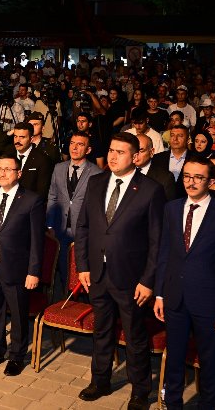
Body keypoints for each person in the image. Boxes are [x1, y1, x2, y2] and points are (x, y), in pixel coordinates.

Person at [75, 132, 166, 409]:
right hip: (97, 275)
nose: (113, 156)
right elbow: (83, 228)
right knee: (102, 331)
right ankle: (99, 381)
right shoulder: (95, 182)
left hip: (131, 279)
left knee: (135, 337)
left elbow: (156, 241)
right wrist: (83, 267)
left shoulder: (150, 190)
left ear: (136, 157)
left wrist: (148, 281)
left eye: (121, 152)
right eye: (111, 150)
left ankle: (140, 391)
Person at [154, 157, 215, 410]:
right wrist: (159, 294)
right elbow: (164, 253)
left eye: (199, 177)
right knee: (174, 358)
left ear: (211, 181)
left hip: (209, 302)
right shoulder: (171, 209)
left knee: (209, 360)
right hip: (174, 297)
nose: (191, 182)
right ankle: (172, 403)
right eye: (187, 176)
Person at [0, 156, 45, 376]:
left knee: (17, 313)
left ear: (19, 173)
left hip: (17, 268)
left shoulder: (32, 200)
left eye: (8, 169)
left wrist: (33, 271)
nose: (3, 173)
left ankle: (17, 356)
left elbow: (36, 240)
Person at [46, 131, 102, 287]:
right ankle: (64, 306)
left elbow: (97, 207)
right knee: (62, 274)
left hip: (83, 233)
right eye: (72, 143)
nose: (75, 148)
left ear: (88, 150)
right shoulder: (58, 168)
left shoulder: (97, 173)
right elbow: (52, 196)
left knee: (81, 276)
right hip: (60, 231)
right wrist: (50, 224)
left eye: (80, 144)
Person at [13, 121, 53, 200]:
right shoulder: (7, 154)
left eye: (22, 137)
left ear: (31, 139)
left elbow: (42, 192)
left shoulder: (42, 160)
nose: (17, 141)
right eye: (15, 136)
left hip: (29, 206)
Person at [134, 134, 177, 201]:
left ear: (151, 152)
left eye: (141, 150)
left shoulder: (165, 178)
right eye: (134, 150)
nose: (136, 154)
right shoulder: (124, 171)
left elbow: (168, 207)